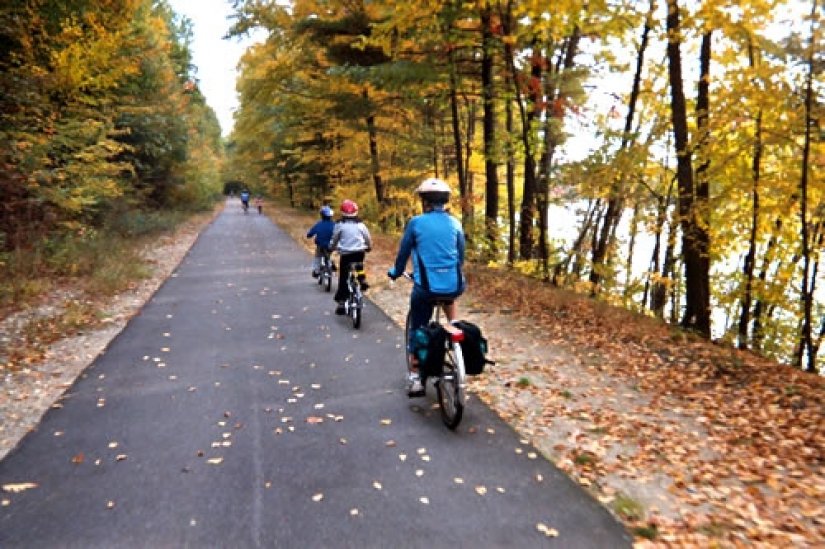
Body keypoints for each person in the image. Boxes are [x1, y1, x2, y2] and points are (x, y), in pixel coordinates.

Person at [387, 178, 465, 397]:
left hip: (426, 289)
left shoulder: (416, 223)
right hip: (454, 284)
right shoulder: (455, 223)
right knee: (449, 295)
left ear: (425, 202)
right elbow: (460, 256)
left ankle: (415, 379)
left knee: (417, 326)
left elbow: (403, 254)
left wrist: (395, 272)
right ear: (445, 201)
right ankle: (453, 325)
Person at [330, 199, 372, 315]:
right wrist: (368, 247)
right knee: (359, 265)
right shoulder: (361, 225)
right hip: (359, 252)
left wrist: (332, 247)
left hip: (346, 253)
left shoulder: (340, 225)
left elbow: (335, 238)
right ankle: (362, 278)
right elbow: (367, 238)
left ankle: (342, 302)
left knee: (343, 275)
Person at [306, 206, 335, 277]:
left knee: (317, 256)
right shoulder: (334, 224)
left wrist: (309, 235)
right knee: (329, 254)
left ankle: (316, 271)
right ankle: (331, 263)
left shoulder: (319, 224)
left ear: (321, 215)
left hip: (320, 244)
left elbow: (310, 233)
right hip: (330, 245)